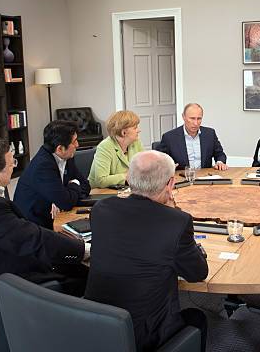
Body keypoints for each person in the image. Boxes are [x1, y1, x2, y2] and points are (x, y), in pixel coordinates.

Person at [85, 150, 209, 351]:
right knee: (197, 318)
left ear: (129, 178)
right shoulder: (177, 222)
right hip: (143, 337)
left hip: (96, 323)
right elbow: (198, 273)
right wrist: (172, 211)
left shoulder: (101, 209)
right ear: (170, 184)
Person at [0, 137, 88, 298]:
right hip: (11, 284)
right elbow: (35, 239)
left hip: (2, 263)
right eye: (12, 163)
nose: (14, 167)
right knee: (91, 274)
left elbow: (23, 232)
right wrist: (85, 250)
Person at [14, 120, 91, 229]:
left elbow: (86, 186)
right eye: (74, 142)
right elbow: (66, 202)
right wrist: (72, 186)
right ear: (60, 148)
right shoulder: (43, 166)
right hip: (34, 226)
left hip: (55, 216)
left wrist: (59, 198)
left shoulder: (67, 157)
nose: (77, 145)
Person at [156, 103, 227, 170]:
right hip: (181, 179)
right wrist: (168, 166)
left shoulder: (210, 134)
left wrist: (219, 162)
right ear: (183, 117)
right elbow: (160, 161)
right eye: (192, 118)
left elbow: (220, 154)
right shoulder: (169, 137)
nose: (196, 123)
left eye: (199, 118)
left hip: (205, 178)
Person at [88, 110, 144, 188]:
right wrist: (127, 176)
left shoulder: (136, 142)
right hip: (102, 193)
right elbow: (101, 180)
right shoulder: (105, 147)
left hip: (127, 189)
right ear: (123, 133)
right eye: (135, 128)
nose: (139, 130)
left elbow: (144, 168)